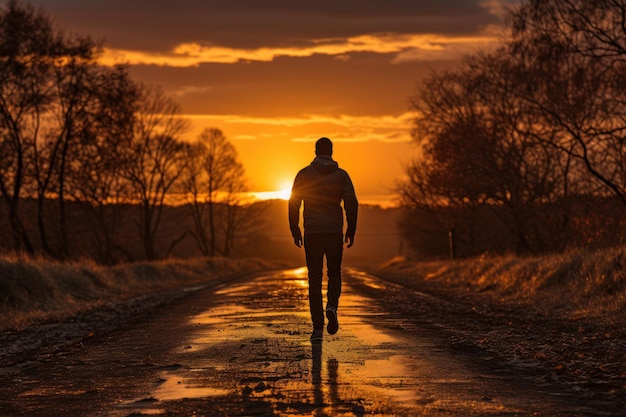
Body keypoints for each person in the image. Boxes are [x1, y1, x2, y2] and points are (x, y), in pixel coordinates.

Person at [289, 137, 358, 343]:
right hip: (334, 232)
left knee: (315, 278)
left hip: (312, 233)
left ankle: (317, 328)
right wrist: (351, 230)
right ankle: (332, 307)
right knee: (334, 272)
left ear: (315, 151)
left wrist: (295, 229)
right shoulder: (341, 175)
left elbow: (293, 203)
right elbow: (351, 203)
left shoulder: (303, 174)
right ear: (332, 152)